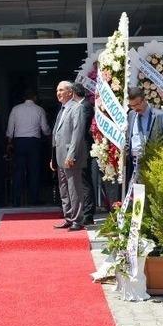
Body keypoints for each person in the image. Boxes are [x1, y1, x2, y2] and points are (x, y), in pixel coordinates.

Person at [50, 81, 86, 231]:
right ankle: (69, 217)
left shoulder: (76, 108)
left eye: (61, 90)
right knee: (64, 189)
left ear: (70, 92)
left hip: (70, 157)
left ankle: (77, 220)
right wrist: (53, 157)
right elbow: (57, 134)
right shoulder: (62, 109)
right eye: (57, 90)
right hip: (59, 156)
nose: (58, 93)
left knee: (74, 189)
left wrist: (71, 155)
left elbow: (77, 134)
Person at [5, 90, 51, 206]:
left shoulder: (15, 109)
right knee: (34, 171)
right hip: (34, 142)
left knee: (18, 171)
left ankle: (16, 200)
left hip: (19, 142)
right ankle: (34, 199)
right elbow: (45, 129)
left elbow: (10, 129)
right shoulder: (39, 109)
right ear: (34, 97)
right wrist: (49, 133)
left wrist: (9, 141)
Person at [126, 86, 163, 180]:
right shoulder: (131, 115)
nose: (135, 108)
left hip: (155, 165)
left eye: (137, 104)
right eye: (132, 106)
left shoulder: (161, 116)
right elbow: (128, 139)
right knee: (138, 195)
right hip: (134, 166)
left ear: (144, 100)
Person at [71, 82, 96, 225]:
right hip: (81, 148)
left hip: (84, 149)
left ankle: (88, 214)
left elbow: (81, 128)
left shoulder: (84, 106)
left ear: (74, 93)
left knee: (85, 182)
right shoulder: (81, 105)